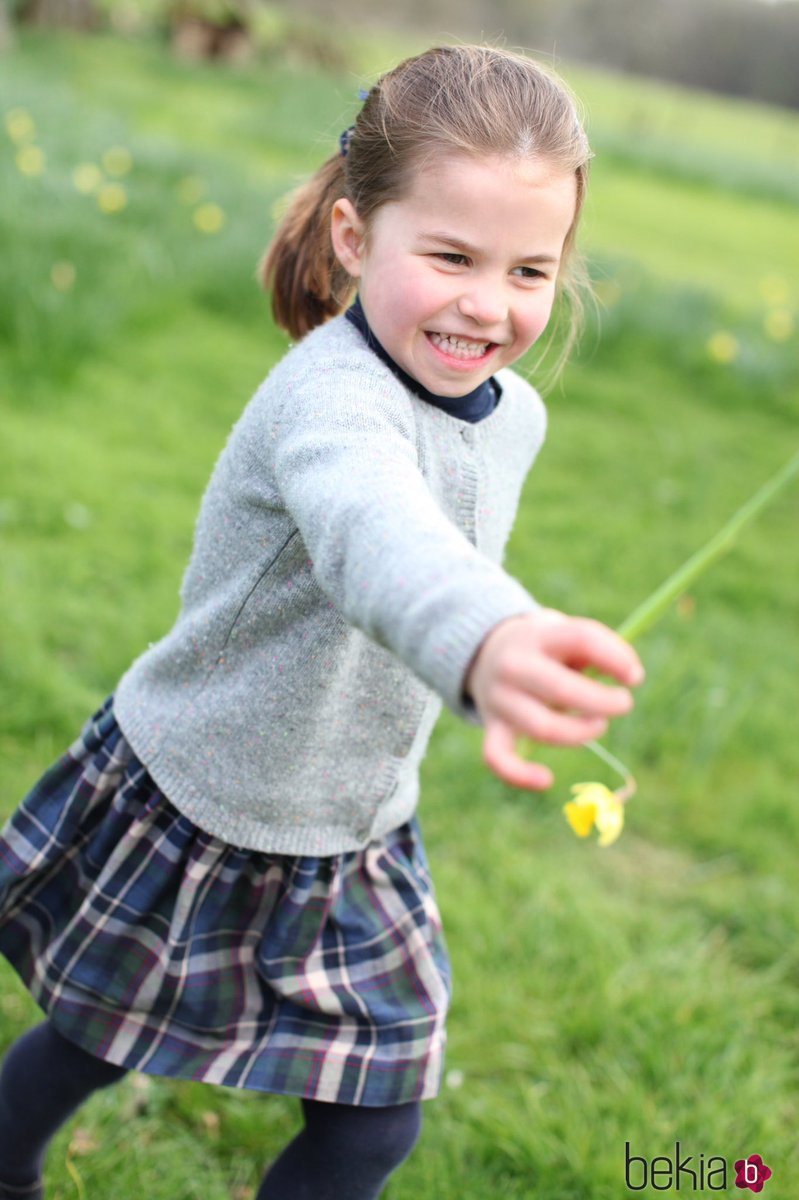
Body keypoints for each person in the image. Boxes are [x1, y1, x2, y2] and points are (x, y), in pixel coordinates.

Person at [0, 43, 644, 1200]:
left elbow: (441, 536)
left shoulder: (517, 416)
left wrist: (502, 634)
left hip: (353, 825)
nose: (487, 306)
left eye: (529, 271)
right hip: (202, 796)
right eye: (450, 256)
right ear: (354, 238)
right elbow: (373, 533)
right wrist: (486, 640)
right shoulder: (328, 397)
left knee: (373, 1123)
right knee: (97, 1038)